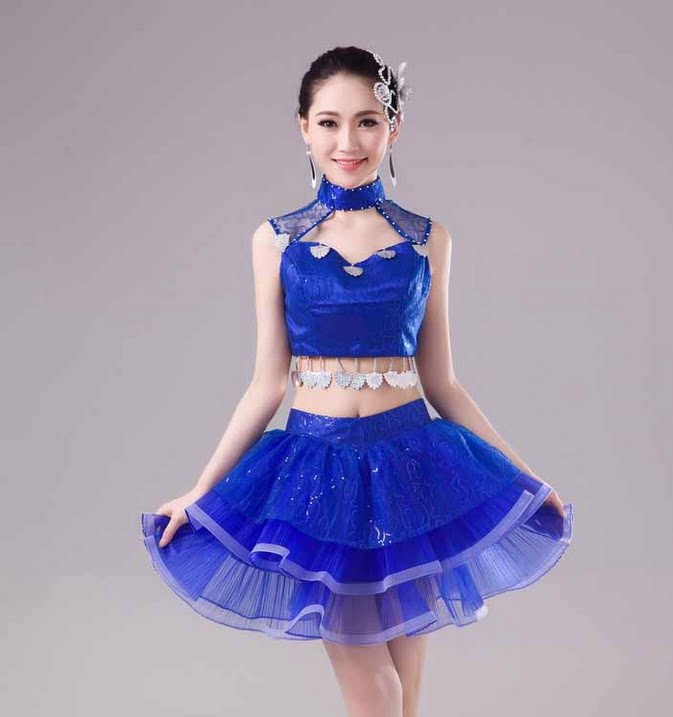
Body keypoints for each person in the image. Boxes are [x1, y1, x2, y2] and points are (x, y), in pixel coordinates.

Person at [141, 45, 574, 717]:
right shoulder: (276, 242)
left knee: (407, 697)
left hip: (413, 470)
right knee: (377, 692)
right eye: (329, 123)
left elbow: (444, 383)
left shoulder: (428, 240)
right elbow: (266, 384)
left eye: (367, 121)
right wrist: (200, 489)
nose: (348, 142)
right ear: (304, 129)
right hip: (320, 472)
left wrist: (526, 476)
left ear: (393, 128)